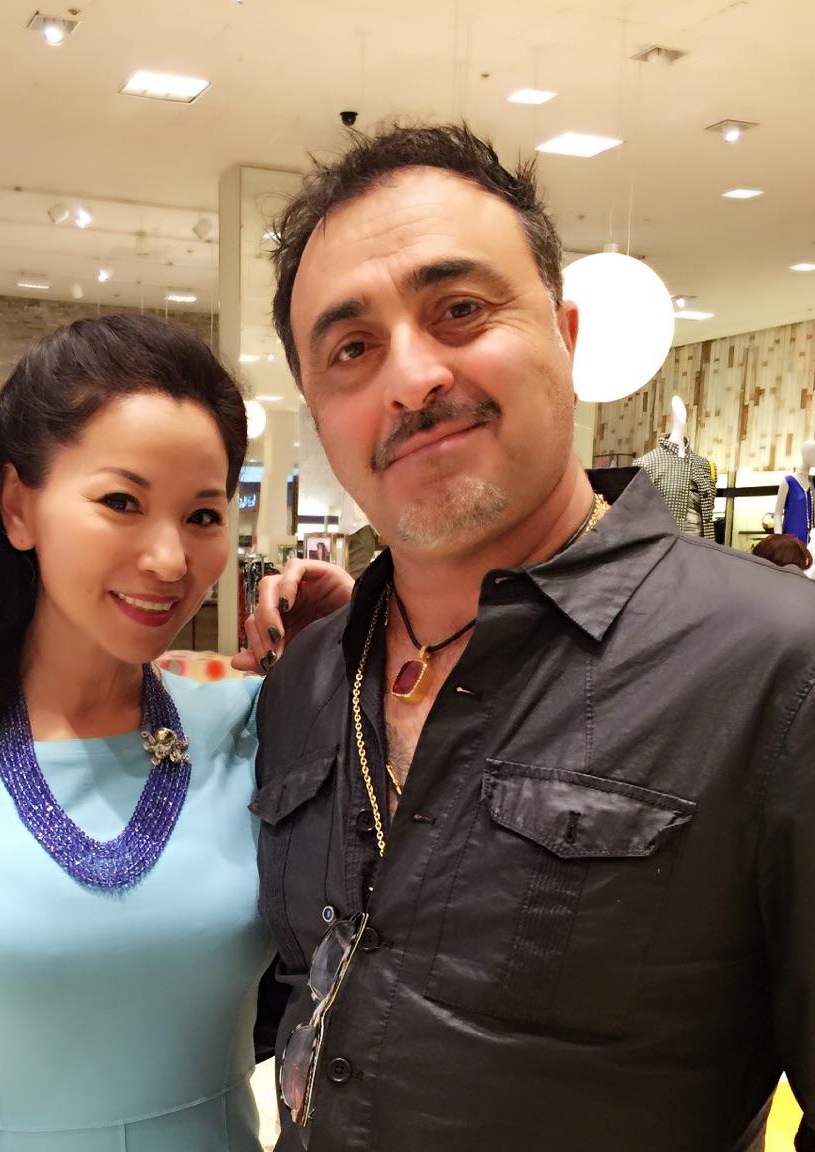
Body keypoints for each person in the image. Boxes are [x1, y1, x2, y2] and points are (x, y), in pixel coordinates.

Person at [239, 124, 813, 1151]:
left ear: (566, 334)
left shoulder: (776, 668)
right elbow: (286, 992)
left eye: (459, 310)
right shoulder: (309, 678)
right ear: (319, 412)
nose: (412, 378)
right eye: (352, 349)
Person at [0, 312, 339, 1152]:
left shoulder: (255, 730)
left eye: (204, 515)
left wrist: (349, 651)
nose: (169, 560)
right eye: (121, 502)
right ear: (18, 507)